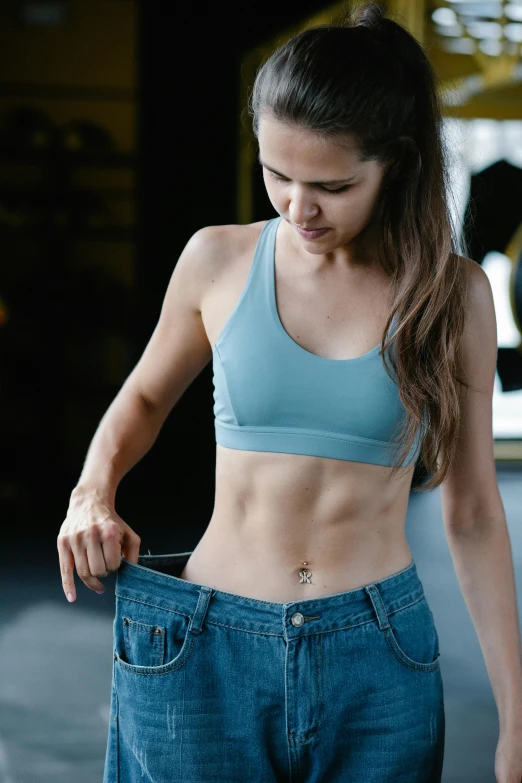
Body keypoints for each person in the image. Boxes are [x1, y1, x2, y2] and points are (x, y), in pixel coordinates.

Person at [57, 3, 522, 782]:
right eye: (278, 174)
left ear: (396, 165)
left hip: (378, 656)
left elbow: (473, 509)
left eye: (332, 185)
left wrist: (517, 715)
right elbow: (140, 400)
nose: (297, 208)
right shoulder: (217, 260)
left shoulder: (453, 296)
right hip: (204, 649)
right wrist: (91, 490)